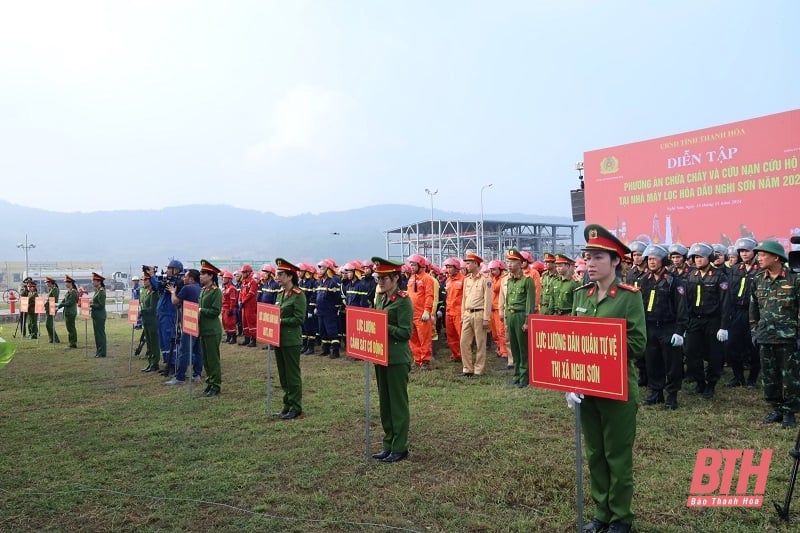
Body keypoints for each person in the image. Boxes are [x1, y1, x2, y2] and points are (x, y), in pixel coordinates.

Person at [567, 224, 646, 533]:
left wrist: (604, 342)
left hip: (618, 389)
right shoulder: (581, 295)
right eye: (588, 257)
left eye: (598, 257)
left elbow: (638, 344)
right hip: (587, 389)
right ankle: (602, 513)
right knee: (595, 454)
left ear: (616, 262)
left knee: (617, 456)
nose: (590, 263)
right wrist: (571, 382)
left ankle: (621, 517)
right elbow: (573, 343)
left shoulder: (628, 298)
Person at [750, 240, 800, 429]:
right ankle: (777, 408)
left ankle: (789, 412)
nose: (759, 258)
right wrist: (754, 330)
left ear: (776, 257)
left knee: (790, 377)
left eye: (763, 255)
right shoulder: (757, 279)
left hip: (788, 337)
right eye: (759, 255)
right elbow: (753, 307)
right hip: (765, 337)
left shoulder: (794, 279)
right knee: (769, 376)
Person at [370, 256, 412, 463]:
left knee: (397, 404)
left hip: (397, 358)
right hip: (381, 355)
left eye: (385, 278)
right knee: (384, 403)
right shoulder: (380, 298)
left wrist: (382, 325)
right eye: (378, 277)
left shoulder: (403, 301)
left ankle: (400, 446)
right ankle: (388, 443)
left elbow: (405, 332)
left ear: (396, 278)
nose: (380, 281)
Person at [638, 244, 688, 410]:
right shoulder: (644, 280)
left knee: (672, 363)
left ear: (663, 260)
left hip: (668, 327)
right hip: (650, 326)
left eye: (655, 259)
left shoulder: (674, 280)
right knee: (652, 360)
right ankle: (656, 392)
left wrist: (680, 330)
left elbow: (681, 306)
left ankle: (672, 395)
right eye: (649, 259)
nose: (651, 262)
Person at [684, 242, 729, 399]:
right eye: (695, 257)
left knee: (714, 354)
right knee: (690, 351)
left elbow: (725, 302)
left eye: (701, 257)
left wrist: (723, 327)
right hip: (695, 320)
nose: (697, 260)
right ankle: (700, 382)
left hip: (713, 321)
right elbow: (687, 301)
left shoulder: (719, 276)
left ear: (708, 258)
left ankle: (711, 384)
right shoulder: (691, 275)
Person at [273, 258, 307, 419]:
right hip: (278, 339)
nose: (277, 277)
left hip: (291, 339)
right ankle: (287, 403)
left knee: (292, 374)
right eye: (276, 274)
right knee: (283, 374)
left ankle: (296, 406)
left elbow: (299, 319)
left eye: (280, 274)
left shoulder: (298, 295)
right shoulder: (280, 294)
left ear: (290, 276)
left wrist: (281, 321)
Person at [725, 237, 760, 388]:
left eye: (747, 251)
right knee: (732, 346)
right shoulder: (734, 270)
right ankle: (738, 377)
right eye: (741, 251)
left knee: (753, 348)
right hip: (736, 312)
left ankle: (752, 378)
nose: (744, 254)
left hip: (753, 313)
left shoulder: (761, 270)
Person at [502, 248, 535, 387]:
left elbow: (530, 302)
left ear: (521, 263)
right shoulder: (509, 281)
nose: (509, 264)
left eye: (513, 261)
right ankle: (516, 374)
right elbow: (508, 300)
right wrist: (506, 318)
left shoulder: (528, 281)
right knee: (514, 348)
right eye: (508, 261)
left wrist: (527, 321)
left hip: (521, 316)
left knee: (523, 348)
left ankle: (524, 377)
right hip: (511, 315)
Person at [166, 269, 203, 385]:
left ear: (191, 279)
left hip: (189, 321)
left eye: (185, 277)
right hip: (199, 321)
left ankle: (180, 377)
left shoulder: (187, 288)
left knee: (184, 350)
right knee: (198, 350)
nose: (183, 279)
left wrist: (173, 292)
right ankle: (197, 374)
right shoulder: (201, 288)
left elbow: (175, 301)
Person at [459, 252, 491, 378]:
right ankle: (467, 368)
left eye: (468, 263)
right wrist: (462, 315)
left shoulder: (485, 279)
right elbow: (464, 299)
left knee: (480, 343)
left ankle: (478, 369)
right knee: (464, 342)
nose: (466, 265)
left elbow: (488, 299)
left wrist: (486, 318)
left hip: (479, 313)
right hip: (467, 313)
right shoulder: (467, 280)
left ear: (476, 264)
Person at [198, 260, 223, 397]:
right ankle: (209, 382)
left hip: (212, 330)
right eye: (201, 273)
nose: (201, 276)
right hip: (203, 329)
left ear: (211, 276)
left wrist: (201, 310)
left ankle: (216, 385)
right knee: (206, 359)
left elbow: (215, 311)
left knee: (213, 359)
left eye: (203, 274)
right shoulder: (203, 291)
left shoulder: (216, 292)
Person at [406, 254, 434, 369]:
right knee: (413, 339)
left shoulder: (427, 278)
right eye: (410, 264)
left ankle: (425, 361)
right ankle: (417, 360)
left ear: (420, 265)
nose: (411, 267)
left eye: (413, 265)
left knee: (424, 338)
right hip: (412, 313)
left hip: (422, 314)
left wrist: (427, 311)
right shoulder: (411, 278)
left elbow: (429, 295)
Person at [139, 271, 162, 372]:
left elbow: (153, 309)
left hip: (153, 321)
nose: (144, 281)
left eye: (146, 280)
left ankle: (155, 363)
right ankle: (150, 362)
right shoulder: (147, 292)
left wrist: (142, 311)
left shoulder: (154, 294)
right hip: (147, 321)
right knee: (149, 343)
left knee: (154, 343)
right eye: (143, 280)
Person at [443, 257, 464, 362]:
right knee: (451, 335)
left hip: (459, 312)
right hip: (449, 312)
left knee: (462, 335)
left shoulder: (463, 280)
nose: (448, 269)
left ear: (456, 268)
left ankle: (464, 355)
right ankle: (456, 355)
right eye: (447, 267)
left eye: (450, 267)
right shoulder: (448, 280)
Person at [238, 264, 259, 347]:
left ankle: (253, 340)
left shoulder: (253, 282)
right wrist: (239, 301)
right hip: (244, 305)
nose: (242, 274)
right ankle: (247, 339)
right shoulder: (244, 282)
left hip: (250, 306)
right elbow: (241, 293)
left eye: (244, 272)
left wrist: (242, 301)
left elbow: (251, 294)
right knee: (244, 322)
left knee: (251, 323)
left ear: (248, 272)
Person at [58, 275, 79, 348]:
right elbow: (64, 300)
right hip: (67, 312)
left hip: (71, 312)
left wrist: (61, 305)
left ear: (71, 283)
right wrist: (59, 305)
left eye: (67, 282)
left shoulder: (73, 292)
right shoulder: (69, 292)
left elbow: (70, 302)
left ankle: (73, 343)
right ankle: (71, 342)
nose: (65, 284)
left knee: (71, 328)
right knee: (69, 328)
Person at [90, 272, 107, 358]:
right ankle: (98, 351)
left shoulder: (101, 291)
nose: (92, 282)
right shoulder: (97, 291)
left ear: (99, 281)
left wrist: (90, 305)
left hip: (100, 315)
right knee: (97, 334)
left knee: (100, 334)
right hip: (96, 315)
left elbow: (101, 305)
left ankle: (102, 352)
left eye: (94, 280)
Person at [221, 271, 239, 344]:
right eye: (223, 278)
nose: (223, 279)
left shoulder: (232, 288)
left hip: (229, 308)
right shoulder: (225, 288)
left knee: (230, 323)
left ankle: (233, 338)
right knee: (225, 323)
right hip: (224, 308)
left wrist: (231, 310)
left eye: (225, 278)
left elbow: (233, 300)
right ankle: (228, 337)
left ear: (229, 279)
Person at [44, 277, 61, 343]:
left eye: (47, 282)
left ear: (51, 283)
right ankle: (51, 338)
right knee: (48, 325)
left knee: (49, 324)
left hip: (52, 308)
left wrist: (48, 303)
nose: (46, 284)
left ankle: (55, 339)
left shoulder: (55, 290)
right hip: (49, 309)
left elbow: (54, 300)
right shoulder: (51, 289)